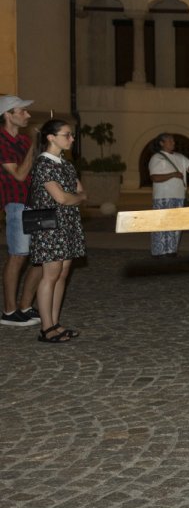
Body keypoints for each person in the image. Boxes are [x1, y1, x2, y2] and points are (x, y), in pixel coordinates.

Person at [27, 120, 86, 342]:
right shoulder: (44, 164)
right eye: (67, 135)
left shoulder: (65, 164)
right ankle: (46, 328)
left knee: (62, 274)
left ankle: (55, 323)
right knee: (50, 275)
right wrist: (75, 198)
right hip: (51, 227)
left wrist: (75, 197)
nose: (72, 139)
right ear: (51, 137)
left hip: (68, 224)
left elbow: (82, 193)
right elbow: (61, 197)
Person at [0, 95, 42, 326]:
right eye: (22, 111)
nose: (27, 115)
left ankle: (25, 306)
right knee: (18, 255)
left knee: (39, 257)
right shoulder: (2, 141)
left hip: (33, 202)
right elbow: (19, 175)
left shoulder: (24, 142)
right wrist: (35, 145)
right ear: (8, 114)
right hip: (16, 203)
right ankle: (9, 311)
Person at [148, 132, 189, 257]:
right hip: (163, 197)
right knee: (161, 225)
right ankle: (159, 252)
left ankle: (171, 251)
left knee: (176, 226)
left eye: (173, 141)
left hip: (179, 196)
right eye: (170, 141)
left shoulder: (179, 157)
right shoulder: (157, 158)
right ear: (162, 143)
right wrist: (172, 174)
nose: (173, 143)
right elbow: (155, 177)